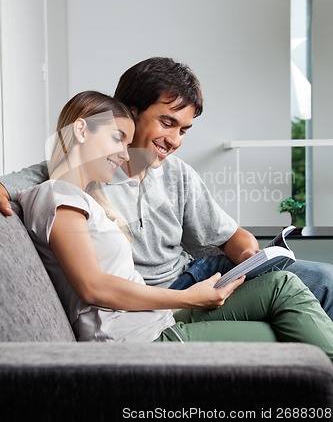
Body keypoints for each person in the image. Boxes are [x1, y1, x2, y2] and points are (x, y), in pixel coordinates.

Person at [1, 57, 333, 321]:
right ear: (130, 113)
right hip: (164, 295)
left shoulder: (176, 174)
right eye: (167, 123)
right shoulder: (80, 172)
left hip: (202, 272)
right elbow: (17, 183)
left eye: (184, 130)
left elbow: (234, 237)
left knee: (326, 282)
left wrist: (249, 259)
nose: (174, 141)